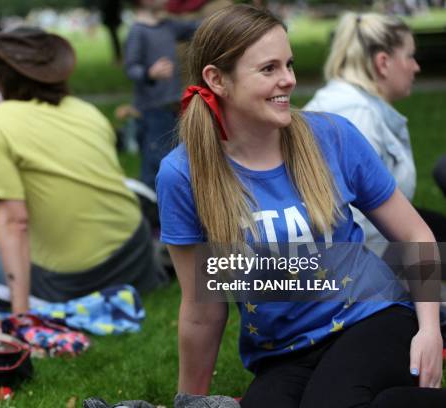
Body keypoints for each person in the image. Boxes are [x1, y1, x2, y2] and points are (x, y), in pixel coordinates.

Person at [156, 4, 446, 407]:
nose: (289, 80)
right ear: (216, 79)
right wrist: (190, 400)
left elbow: (415, 233)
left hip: (372, 317)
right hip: (281, 351)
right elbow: (202, 309)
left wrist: (429, 330)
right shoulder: (183, 174)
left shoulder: (333, 136)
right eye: (269, 68)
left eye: (288, 64)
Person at [0, 28, 167, 313]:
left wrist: (20, 313)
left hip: (69, 281)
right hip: (135, 259)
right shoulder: (87, 111)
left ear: (2, 77)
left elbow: (14, 222)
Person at [305, 12, 446, 244]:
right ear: (383, 62)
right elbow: (357, 225)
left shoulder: (352, 104)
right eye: (410, 57)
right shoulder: (358, 116)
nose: (416, 67)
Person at [124, 0, 199, 190]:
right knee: (155, 159)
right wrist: (150, 72)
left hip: (173, 105)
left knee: (175, 155)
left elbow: (197, 27)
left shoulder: (168, 26)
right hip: (152, 109)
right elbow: (131, 68)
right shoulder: (138, 31)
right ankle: (150, 206)